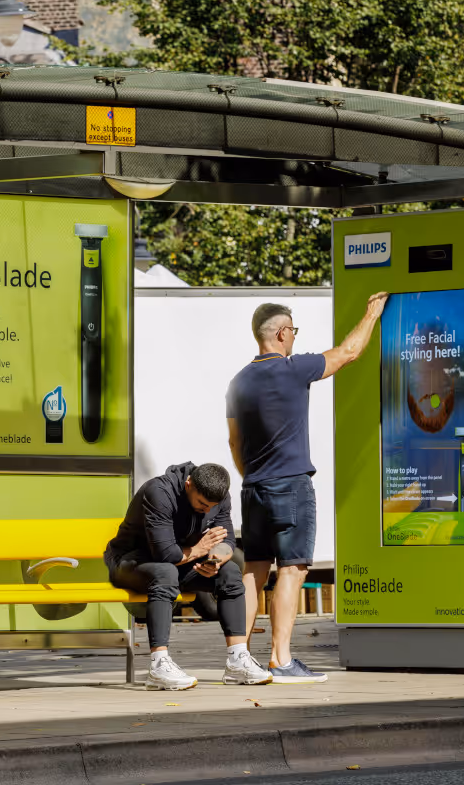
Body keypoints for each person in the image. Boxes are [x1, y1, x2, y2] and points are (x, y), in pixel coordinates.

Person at [226, 294, 387, 683]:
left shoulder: (239, 381)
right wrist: (371, 314)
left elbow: (234, 441)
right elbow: (348, 352)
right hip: (291, 486)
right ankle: (281, 661)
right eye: (293, 332)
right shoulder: (294, 369)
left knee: (254, 571)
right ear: (282, 333)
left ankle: (238, 659)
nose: (294, 339)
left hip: (254, 488)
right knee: (292, 570)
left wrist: (253, 474)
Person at [106, 462, 268, 690]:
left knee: (230, 572)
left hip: (181, 561)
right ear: (188, 484)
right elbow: (164, 554)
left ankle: (237, 660)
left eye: (212, 506)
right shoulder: (159, 492)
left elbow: (228, 541)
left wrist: (215, 558)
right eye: (202, 504)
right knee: (165, 572)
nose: (206, 510)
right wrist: (199, 550)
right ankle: (159, 666)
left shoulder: (218, 497)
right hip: (130, 563)